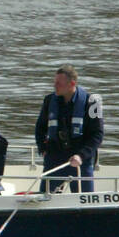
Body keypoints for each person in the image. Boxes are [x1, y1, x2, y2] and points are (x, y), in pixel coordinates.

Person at [35, 64, 103, 193]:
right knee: (45, 197)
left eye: (59, 83)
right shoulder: (49, 101)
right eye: (54, 82)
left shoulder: (93, 102)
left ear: (72, 84)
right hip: (55, 157)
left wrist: (81, 156)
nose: (55, 86)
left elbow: (97, 134)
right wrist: (42, 148)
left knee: (84, 198)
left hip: (80, 159)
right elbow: (40, 128)